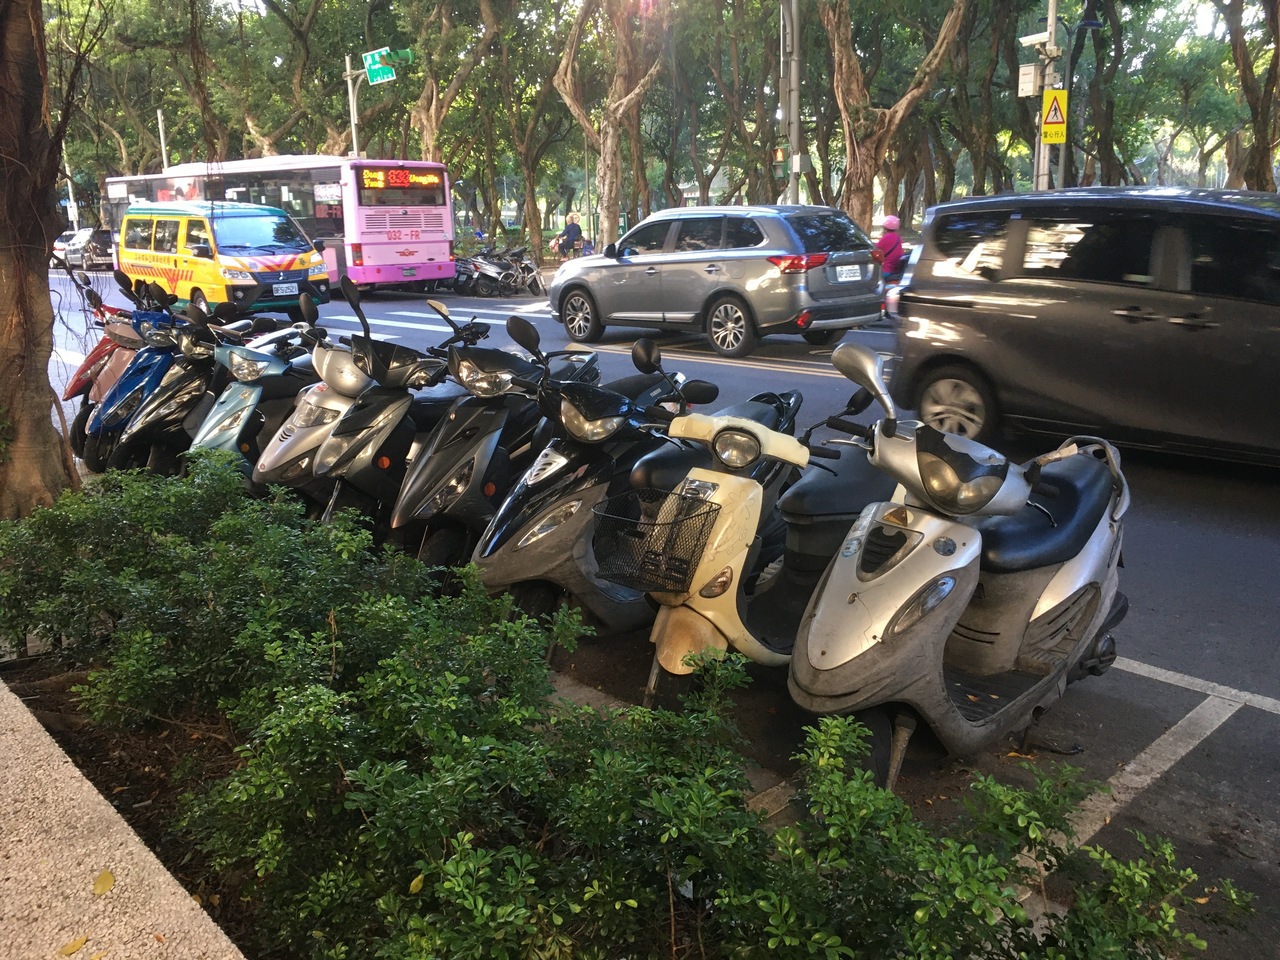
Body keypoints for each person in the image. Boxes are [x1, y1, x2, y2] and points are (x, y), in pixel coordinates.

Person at [876, 214, 906, 280]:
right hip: (896, 270)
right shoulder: (898, 238)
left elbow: (876, 249)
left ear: (885, 227)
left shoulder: (886, 237)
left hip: (886, 270)